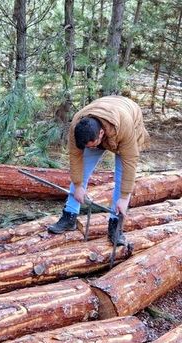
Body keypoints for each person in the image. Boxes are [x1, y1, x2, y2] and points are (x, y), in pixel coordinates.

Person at [48, 95, 150, 245]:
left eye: (92, 145)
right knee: (82, 170)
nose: (91, 149)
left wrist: (124, 198)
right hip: (105, 115)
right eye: (87, 146)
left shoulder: (125, 127)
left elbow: (130, 163)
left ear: (101, 134)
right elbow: (76, 159)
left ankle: (115, 225)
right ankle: (69, 215)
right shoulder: (78, 125)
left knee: (121, 180)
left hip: (125, 121)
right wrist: (77, 186)